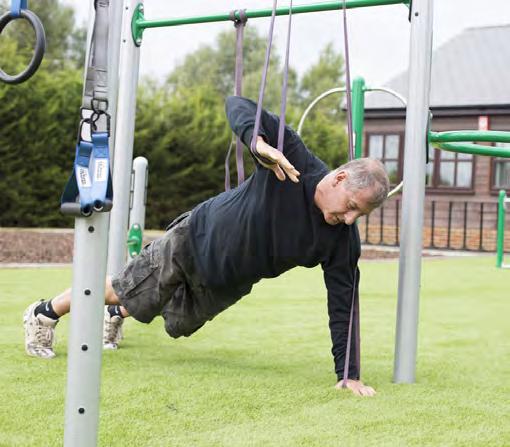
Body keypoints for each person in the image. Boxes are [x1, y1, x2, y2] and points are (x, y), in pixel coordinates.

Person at [23, 96, 389, 397]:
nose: (350, 219)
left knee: (177, 324)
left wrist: (348, 372)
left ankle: (117, 314)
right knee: (129, 287)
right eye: (352, 206)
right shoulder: (292, 159)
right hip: (197, 237)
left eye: (360, 215)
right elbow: (239, 105)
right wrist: (258, 143)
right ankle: (43, 313)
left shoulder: (342, 239)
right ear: (340, 179)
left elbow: (344, 302)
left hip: (230, 279)